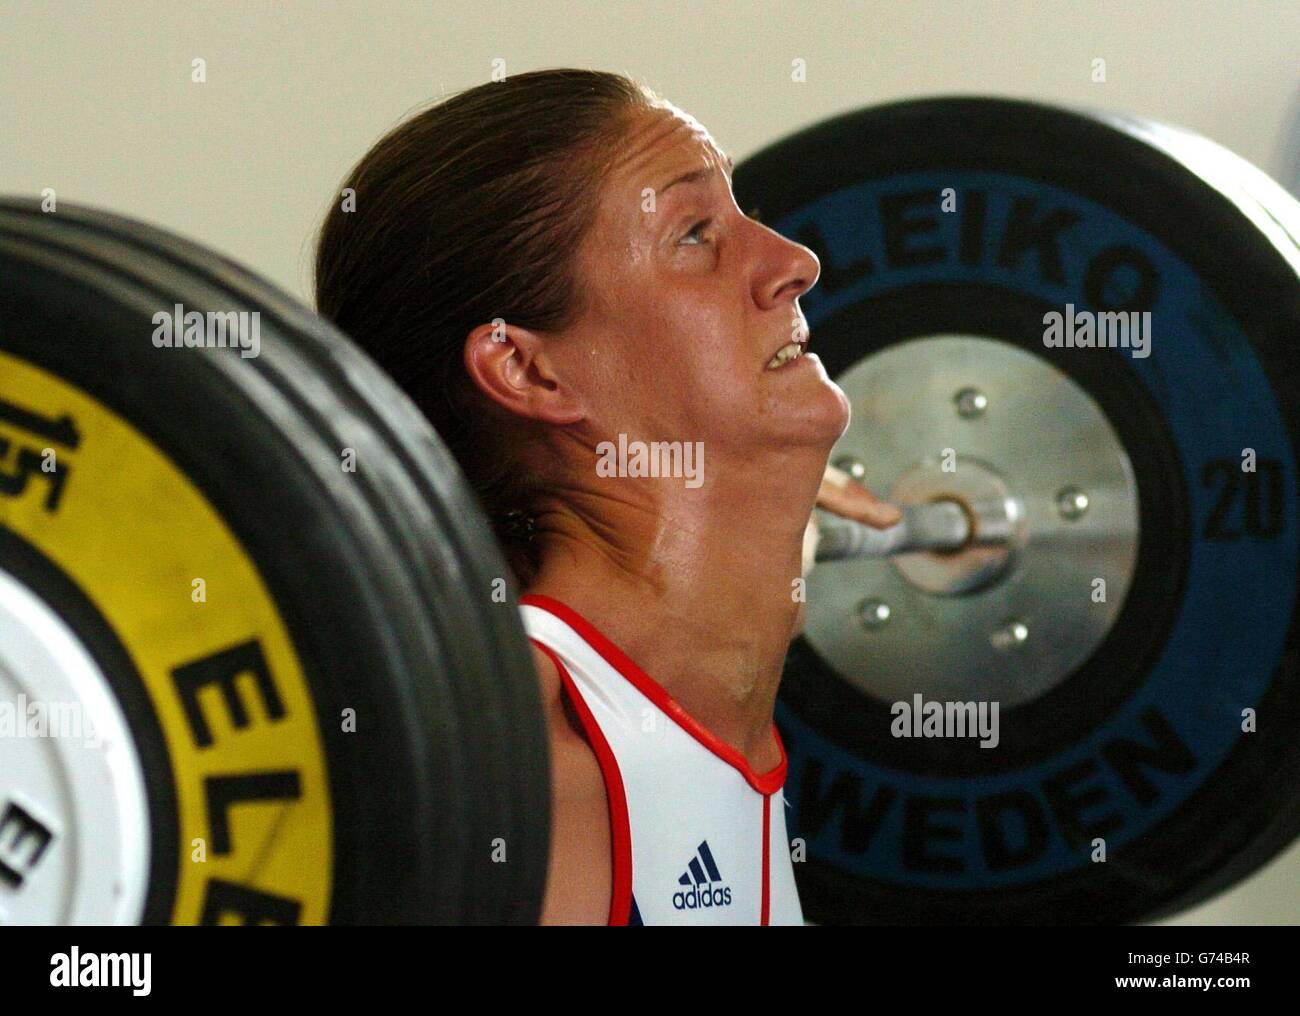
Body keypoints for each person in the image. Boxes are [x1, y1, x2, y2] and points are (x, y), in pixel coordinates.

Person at [315, 68, 898, 925]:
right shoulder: (518, 778)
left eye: (740, 213)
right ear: (529, 370)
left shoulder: (706, 673)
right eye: (695, 233)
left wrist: (765, 535)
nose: (794, 262)